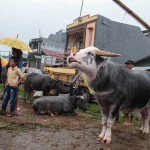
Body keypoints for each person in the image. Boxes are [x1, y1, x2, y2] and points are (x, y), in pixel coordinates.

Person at [123, 60, 135, 125]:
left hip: (133, 92)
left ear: (133, 65)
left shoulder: (135, 73)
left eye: (129, 64)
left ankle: (131, 121)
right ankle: (127, 120)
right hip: (125, 92)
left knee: (132, 107)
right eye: (127, 64)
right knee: (125, 106)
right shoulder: (124, 72)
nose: (128, 65)